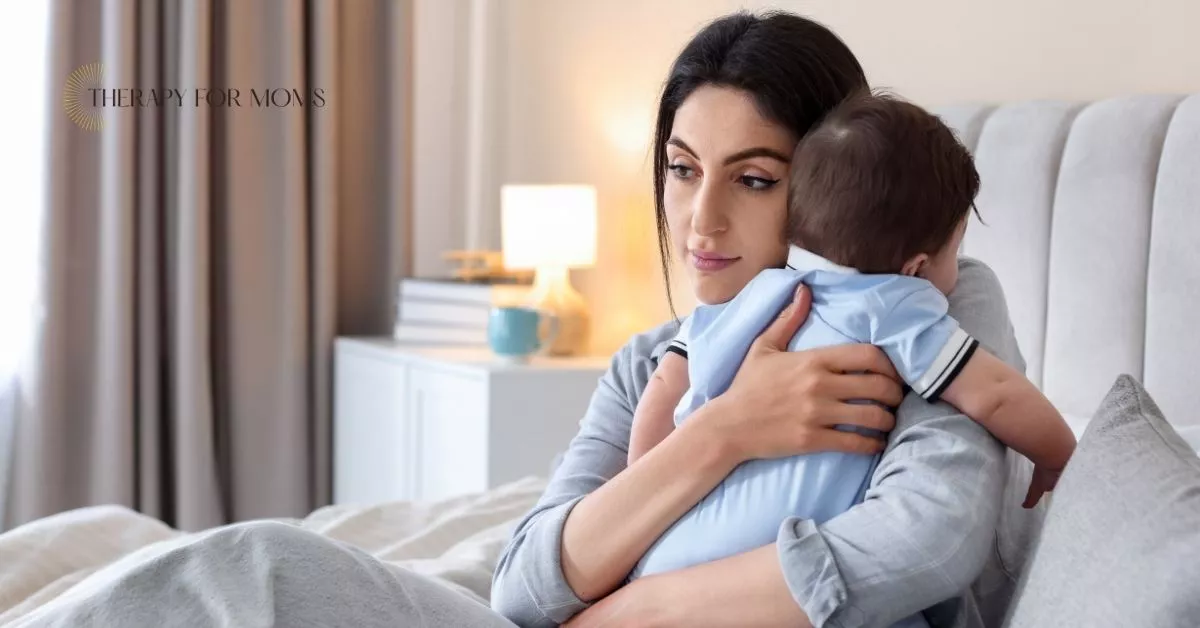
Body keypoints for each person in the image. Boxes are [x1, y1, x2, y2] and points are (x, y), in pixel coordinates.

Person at [15, 11, 1031, 628]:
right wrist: (723, 432)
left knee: (254, 575)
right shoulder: (652, 363)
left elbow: (926, 546)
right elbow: (528, 579)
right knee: (234, 571)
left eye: (753, 180)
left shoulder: (923, 302)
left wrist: (627, 610)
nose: (699, 221)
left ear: (829, 187)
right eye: (680, 171)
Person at [626, 91, 1076, 584]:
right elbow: (997, 395)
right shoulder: (894, 306)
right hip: (772, 570)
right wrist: (1060, 455)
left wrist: (640, 499)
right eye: (955, 248)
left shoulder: (753, 296)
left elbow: (665, 390)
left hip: (666, 556)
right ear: (916, 266)